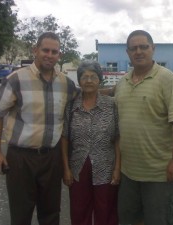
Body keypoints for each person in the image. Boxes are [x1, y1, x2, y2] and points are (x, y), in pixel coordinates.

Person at [0, 32, 78, 225]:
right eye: (45, 50)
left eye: (54, 51)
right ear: (35, 50)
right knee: (21, 214)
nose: (49, 55)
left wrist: (114, 92)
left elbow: (87, 95)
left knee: (51, 213)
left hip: (51, 158)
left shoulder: (66, 83)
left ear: (59, 55)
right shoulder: (16, 79)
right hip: (21, 159)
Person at [115, 30, 173, 225]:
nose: (138, 51)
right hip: (129, 173)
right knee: (129, 220)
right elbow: (108, 95)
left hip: (159, 174)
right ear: (127, 52)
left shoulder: (167, 79)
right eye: (133, 48)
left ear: (153, 49)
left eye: (143, 47)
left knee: (160, 220)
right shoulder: (123, 82)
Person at [61, 60, 120, 225]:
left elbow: (117, 138)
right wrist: (66, 169)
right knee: (79, 212)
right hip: (78, 168)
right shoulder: (71, 106)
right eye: (84, 77)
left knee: (106, 211)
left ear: (99, 79)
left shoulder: (111, 105)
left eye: (93, 76)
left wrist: (117, 168)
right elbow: (64, 137)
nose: (88, 80)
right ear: (79, 81)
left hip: (106, 167)